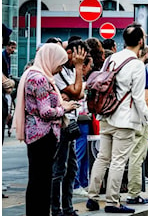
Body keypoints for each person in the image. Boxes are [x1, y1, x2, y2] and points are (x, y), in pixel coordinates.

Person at [86, 22, 148, 214]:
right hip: (125, 119)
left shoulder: (111, 59)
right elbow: (139, 98)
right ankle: (112, 202)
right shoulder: (137, 65)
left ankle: (92, 197)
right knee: (119, 161)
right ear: (140, 41)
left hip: (106, 115)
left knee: (103, 157)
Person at [12, 43, 79, 216]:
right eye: (59, 63)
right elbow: (46, 111)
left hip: (36, 135)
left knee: (37, 180)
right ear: (51, 59)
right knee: (41, 181)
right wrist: (65, 108)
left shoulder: (32, 74)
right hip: (43, 136)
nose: (60, 68)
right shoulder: (40, 79)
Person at [51, 40, 88, 216]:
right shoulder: (59, 71)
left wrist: (75, 84)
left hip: (71, 123)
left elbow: (78, 93)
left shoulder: (70, 70)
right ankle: (56, 209)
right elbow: (75, 92)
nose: (81, 59)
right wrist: (79, 68)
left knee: (71, 168)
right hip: (61, 124)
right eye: (79, 55)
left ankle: (67, 208)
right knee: (59, 169)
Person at [125, 45, 148, 205]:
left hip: (124, 116)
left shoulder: (123, 65)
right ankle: (133, 193)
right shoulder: (140, 68)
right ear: (146, 54)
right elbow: (146, 98)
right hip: (139, 118)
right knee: (137, 155)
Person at [73, 55, 93, 197]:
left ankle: (82, 181)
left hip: (84, 119)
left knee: (83, 152)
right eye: (89, 65)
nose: (91, 68)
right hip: (79, 119)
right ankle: (76, 183)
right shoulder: (78, 80)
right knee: (79, 152)